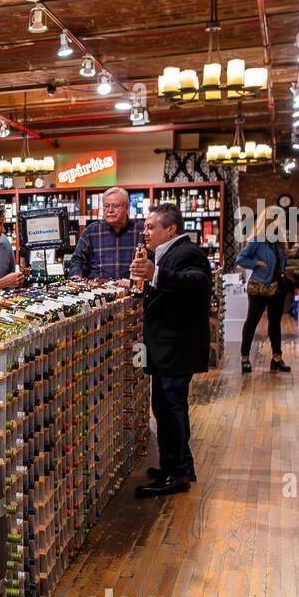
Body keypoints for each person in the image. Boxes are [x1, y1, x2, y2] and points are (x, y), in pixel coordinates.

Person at [129, 203, 212, 497]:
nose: (145, 231)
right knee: (167, 409)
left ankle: (175, 473)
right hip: (168, 347)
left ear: (171, 229)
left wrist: (155, 273)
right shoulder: (165, 254)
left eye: (151, 227)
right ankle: (178, 465)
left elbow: (198, 283)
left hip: (176, 347)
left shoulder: (187, 252)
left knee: (170, 409)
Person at [236, 207, 292, 373]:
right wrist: (256, 263)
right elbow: (241, 259)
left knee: (275, 323)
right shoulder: (256, 240)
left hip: (276, 287)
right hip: (259, 287)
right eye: (279, 219)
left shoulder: (279, 240)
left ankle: (277, 358)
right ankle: (244, 357)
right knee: (252, 322)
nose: (282, 222)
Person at [67, 186, 143, 281]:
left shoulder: (141, 230)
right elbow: (78, 259)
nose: (110, 210)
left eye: (116, 206)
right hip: (98, 290)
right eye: (106, 206)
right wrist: (76, 274)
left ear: (126, 207)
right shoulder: (91, 231)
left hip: (131, 290)